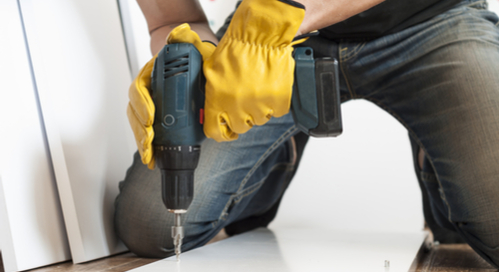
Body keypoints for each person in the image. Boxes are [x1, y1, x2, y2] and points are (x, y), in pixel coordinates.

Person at [115, 0, 499, 268]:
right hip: (275, 36)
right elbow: (171, 19)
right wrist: (182, 43)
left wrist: (271, 24)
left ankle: (439, 158)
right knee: (150, 224)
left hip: (431, 21)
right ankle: (273, 155)